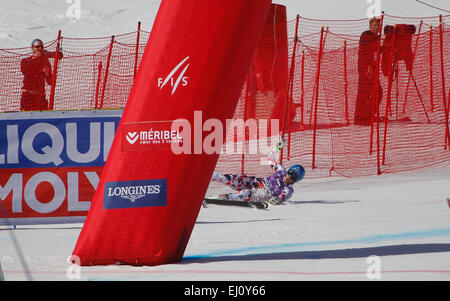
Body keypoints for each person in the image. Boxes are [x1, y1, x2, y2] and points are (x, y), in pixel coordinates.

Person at [211, 138, 305, 204]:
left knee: (245, 194)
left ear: (296, 180)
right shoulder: (281, 171)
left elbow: (281, 198)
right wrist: (277, 148)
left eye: (293, 176)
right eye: (290, 173)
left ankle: (221, 198)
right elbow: (269, 158)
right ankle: (206, 177)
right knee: (228, 178)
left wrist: (277, 200)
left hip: (256, 195)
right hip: (253, 182)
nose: (289, 176)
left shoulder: (288, 190)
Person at [354, 17, 383, 125]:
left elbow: (375, 51)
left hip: (371, 68)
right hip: (365, 68)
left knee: (377, 92)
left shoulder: (375, 37)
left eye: (378, 25)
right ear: (370, 26)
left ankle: (368, 115)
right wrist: (369, 67)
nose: (377, 28)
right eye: (375, 25)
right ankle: (361, 118)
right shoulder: (367, 36)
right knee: (364, 93)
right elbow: (366, 52)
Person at [20, 39, 63, 111]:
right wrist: (40, 61)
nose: (39, 49)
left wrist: (50, 73)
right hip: (28, 97)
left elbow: (50, 82)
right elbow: (26, 70)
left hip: (40, 97)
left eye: (41, 47)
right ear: (32, 48)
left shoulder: (45, 62)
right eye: (37, 47)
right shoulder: (25, 61)